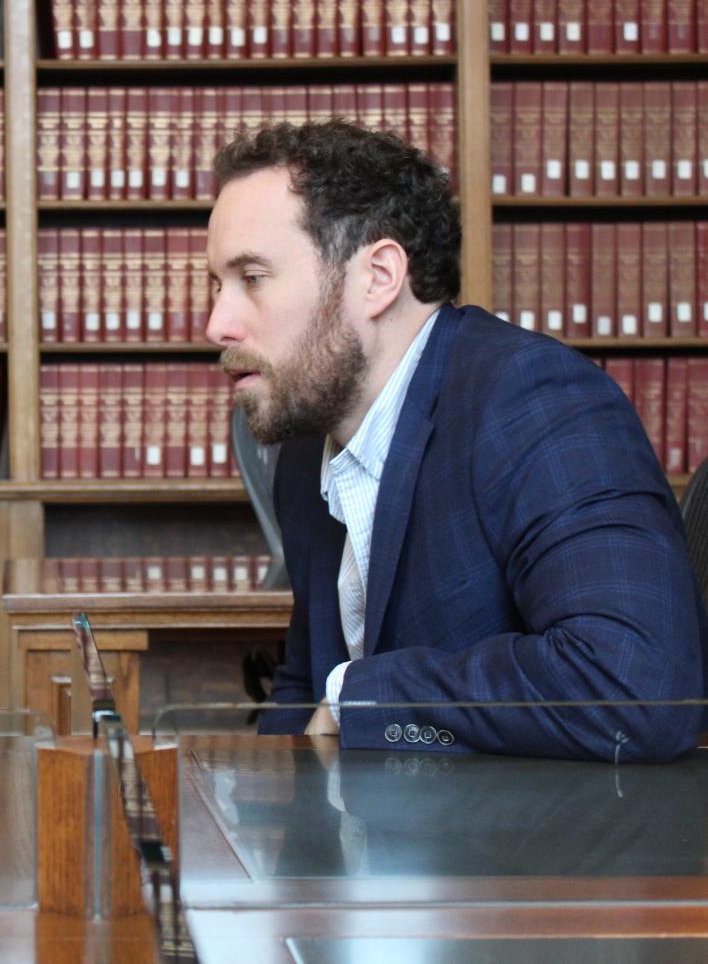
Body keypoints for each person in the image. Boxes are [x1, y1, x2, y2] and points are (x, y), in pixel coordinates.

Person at [207, 119, 706, 762]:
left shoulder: (537, 401)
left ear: (379, 276)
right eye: (215, 285)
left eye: (252, 277)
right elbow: (307, 689)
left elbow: (637, 688)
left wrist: (368, 700)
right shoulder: (306, 448)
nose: (218, 322)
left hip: (542, 854)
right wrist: (262, 827)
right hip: (384, 844)